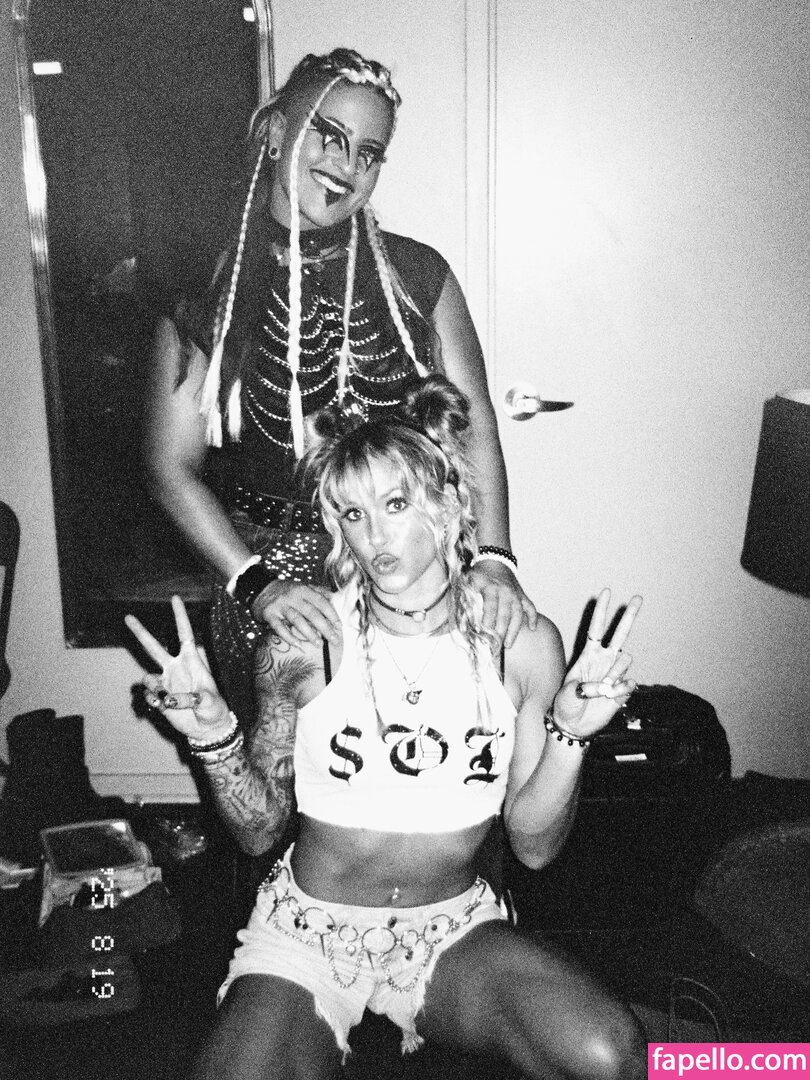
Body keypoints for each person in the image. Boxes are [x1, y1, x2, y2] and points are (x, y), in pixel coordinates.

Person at [127, 377, 646, 1080]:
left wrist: (571, 733)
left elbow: (534, 847)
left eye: (395, 505)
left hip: (452, 931)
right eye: (352, 513)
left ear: (446, 504)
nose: (373, 537)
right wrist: (213, 735)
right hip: (308, 937)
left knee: (611, 1053)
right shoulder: (304, 642)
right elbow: (257, 831)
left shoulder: (520, 642)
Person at [144, 47, 535, 725]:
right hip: (268, 572)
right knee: (277, 774)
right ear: (275, 132)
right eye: (328, 135)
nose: (347, 164)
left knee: (423, 752)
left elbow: (475, 434)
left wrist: (496, 561)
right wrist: (258, 584)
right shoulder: (207, 288)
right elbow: (168, 467)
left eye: (369, 152)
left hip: (411, 563)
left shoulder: (419, 274)